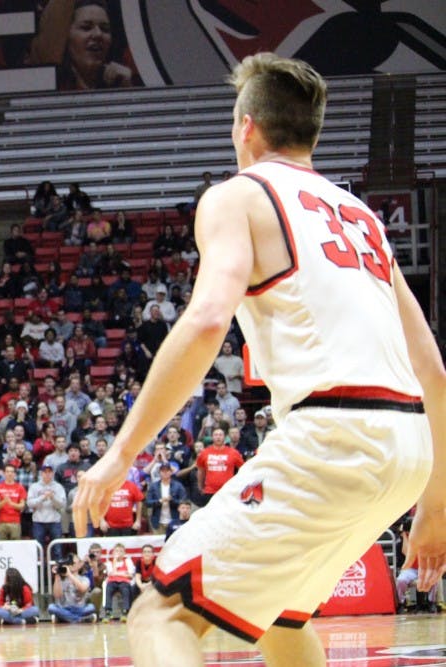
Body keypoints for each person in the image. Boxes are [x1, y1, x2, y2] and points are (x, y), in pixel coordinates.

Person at [73, 53, 446, 666]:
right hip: (407, 448)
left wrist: (121, 454)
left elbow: (207, 320)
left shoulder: (237, 197)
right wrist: (434, 502)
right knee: (277, 616)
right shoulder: (363, 218)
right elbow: (430, 364)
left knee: (159, 614)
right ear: (313, 132)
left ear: (245, 126)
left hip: (335, 434)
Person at [27, 0, 134, 91]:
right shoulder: (49, 83)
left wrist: (127, 91)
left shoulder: (118, 83)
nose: (98, 34)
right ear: (66, 36)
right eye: (86, 27)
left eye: (105, 29)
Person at [47, 554, 96, 623]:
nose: (71, 565)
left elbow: (82, 589)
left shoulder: (84, 578)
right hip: (64, 608)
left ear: (79, 565)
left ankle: (64, 618)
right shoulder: (61, 579)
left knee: (91, 607)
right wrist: (57, 576)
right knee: (51, 607)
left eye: (74, 563)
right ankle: (80, 619)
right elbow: (57, 595)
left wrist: (69, 575)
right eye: (70, 563)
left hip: (80, 608)